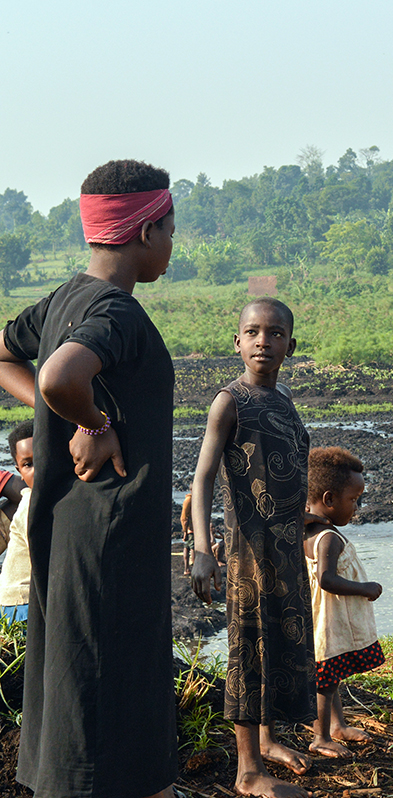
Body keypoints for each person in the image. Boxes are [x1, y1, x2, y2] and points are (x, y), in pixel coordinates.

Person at [0, 159, 177, 798]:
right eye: (171, 228)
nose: (173, 243)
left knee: (75, 675)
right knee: (110, 681)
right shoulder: (115, 310)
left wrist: (63, 418)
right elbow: (58, 378)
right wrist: (94, 423)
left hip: (67, 525)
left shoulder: (63, 298)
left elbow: (5, 353)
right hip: (110, 532)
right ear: (144, 230)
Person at [191, 297, 316, 798]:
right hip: (248, 550)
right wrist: (203, 548)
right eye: (254, 331)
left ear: (290, 344)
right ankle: (247, 772)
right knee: (249, 648)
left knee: (281, 645)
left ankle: (269, 741)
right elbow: (201, 479)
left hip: (285, 549)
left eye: (275, 332)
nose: (264, 340)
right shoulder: (230, 401)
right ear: (237, 342)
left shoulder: (283, 401)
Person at [304, 446, 383, 758]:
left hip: (321, 618)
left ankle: (337, 726)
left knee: (331, 677)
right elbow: (326, 579)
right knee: (325, 682)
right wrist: (366, 587)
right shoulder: (328, 538)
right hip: (329, 620)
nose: (356, 507)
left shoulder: (308, 530)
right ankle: (321, 737)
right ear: (328, 500)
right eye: (353, 499)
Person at [0, 421, 35, 623]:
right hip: (21, 604)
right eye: (29, 464)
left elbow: (18, 490)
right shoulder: (31, 503)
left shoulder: (29, 499)